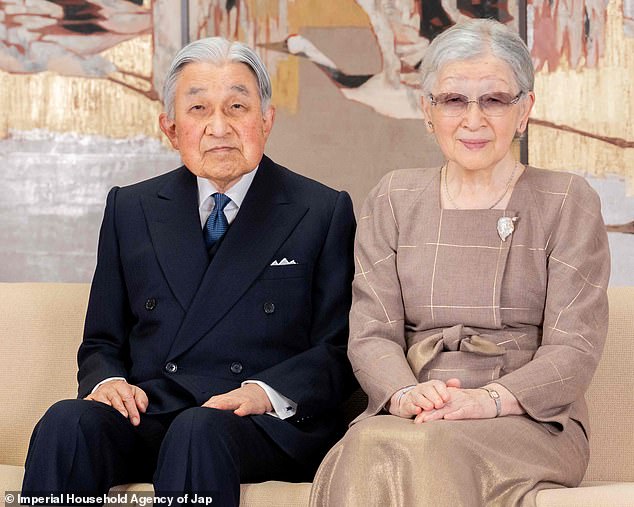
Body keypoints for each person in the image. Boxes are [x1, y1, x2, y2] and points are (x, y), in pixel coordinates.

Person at [21, 37, 356, 507]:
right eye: (198, 109)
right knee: (66, 422)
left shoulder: (321, 211)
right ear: (171, 128)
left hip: (260, 422)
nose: (219, 127)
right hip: (153, 409)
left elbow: (339, 349)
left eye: (237, 106)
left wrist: (265, 392)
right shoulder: (131, 208)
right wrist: (106, 382)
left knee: (197, 430)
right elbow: (101, 341)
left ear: (267, 119)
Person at [310, 18, 610, 507]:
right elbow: (370, 333)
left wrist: (485, 401)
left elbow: (574, 350)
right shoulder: (393, 197)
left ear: (525, 110)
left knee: (429, 445)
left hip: (529, 421)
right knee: (365, 443)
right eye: (453, 100)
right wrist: (406, 395)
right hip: (412, 413)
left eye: (494, 99)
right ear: (428, 111)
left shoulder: (567, 200)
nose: (474, 119)